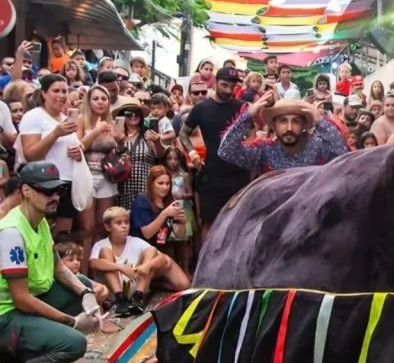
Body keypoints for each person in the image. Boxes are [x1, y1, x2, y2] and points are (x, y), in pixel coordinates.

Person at [0, 162, 108, 363]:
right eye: (46, 191)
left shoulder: (39, 221)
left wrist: (85, 293)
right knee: (75, 344)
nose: (55, 197)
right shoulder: (12, 233)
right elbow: (21, 299)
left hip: (30, 299)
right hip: (6, 315)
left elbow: (58, 267)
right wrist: (72, 322)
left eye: (58, 190)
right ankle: (19, 360)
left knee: (82, 284)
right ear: (26, 191)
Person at [18, 73, 93, 252]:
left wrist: (78, 152)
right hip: (43, 184)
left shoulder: (65, 118)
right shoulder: (33, 116)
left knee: (62, 238)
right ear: (44, 93)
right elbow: (31, 155)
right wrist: (55, 134)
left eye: (64, 91)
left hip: (67, 183)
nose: (61, 95)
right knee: (41, 234)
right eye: (56, 91)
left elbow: (67, 151)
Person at [179, 67, 249, 237]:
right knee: (209, 223)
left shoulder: (243, 107)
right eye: (224, 85)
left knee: (238, 223)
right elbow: (183, 133)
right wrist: (193, 153)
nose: (228, 90)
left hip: (238, 174)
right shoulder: (202, 108)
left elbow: (253, 132)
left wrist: (248, 151)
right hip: (212, 174)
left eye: (232, 86)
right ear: (215, 82)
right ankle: (206, 261)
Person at [218, 92, 349, 174]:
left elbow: (345, 160)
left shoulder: (318, 147)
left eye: (296, 121)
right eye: (283, 121)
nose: (289, 128)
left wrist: (321, 122)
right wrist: (247, 116)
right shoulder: (264, 151)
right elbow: (226, 151)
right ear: (273, 125)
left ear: (304, 125)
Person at [90, 205, 185, 316]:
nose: (124, 226)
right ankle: (120, 298)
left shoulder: (134, 241)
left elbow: (162, 258)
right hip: (112, 291)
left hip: (133, 284)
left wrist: (147, 265)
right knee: (105, 252)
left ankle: (138, 296)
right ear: (108, 227)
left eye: (126, 222)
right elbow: (93, 263)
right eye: (119, 223)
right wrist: (120, 267)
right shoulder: (101, 244)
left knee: (151, 250)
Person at [129, 167, 192, 283]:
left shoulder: (169, 201)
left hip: (161, 251)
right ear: (151, 184)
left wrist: (182, 223)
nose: (165, 187)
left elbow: (179, 235)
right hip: (141, 252)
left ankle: (155, 284)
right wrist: (164, 214)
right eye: (160, 183)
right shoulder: (141, 201)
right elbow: (147, 233)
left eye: (168, 184)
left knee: (183, 284)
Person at [77, 85, 122, 238]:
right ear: (89, 102)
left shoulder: (112, 122)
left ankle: (98, 260)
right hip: (86, 176)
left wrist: (120, 141)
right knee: (87, 228)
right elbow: (78, 147)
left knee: (103, 226)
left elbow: (120, 152)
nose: (100, 102)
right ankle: (84, 262)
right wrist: (96, 131)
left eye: (104, 99)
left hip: (107, 178)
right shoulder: (81, 120)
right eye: (95, 99)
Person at [112, 97, 165, 212]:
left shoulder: (147, 134)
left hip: (144, 187)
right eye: (128, 113)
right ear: (122, 115)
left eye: (136, 113)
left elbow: (160, 155)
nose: (133, 116)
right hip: (121, 187)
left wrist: (157, 141)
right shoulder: (115, 134)